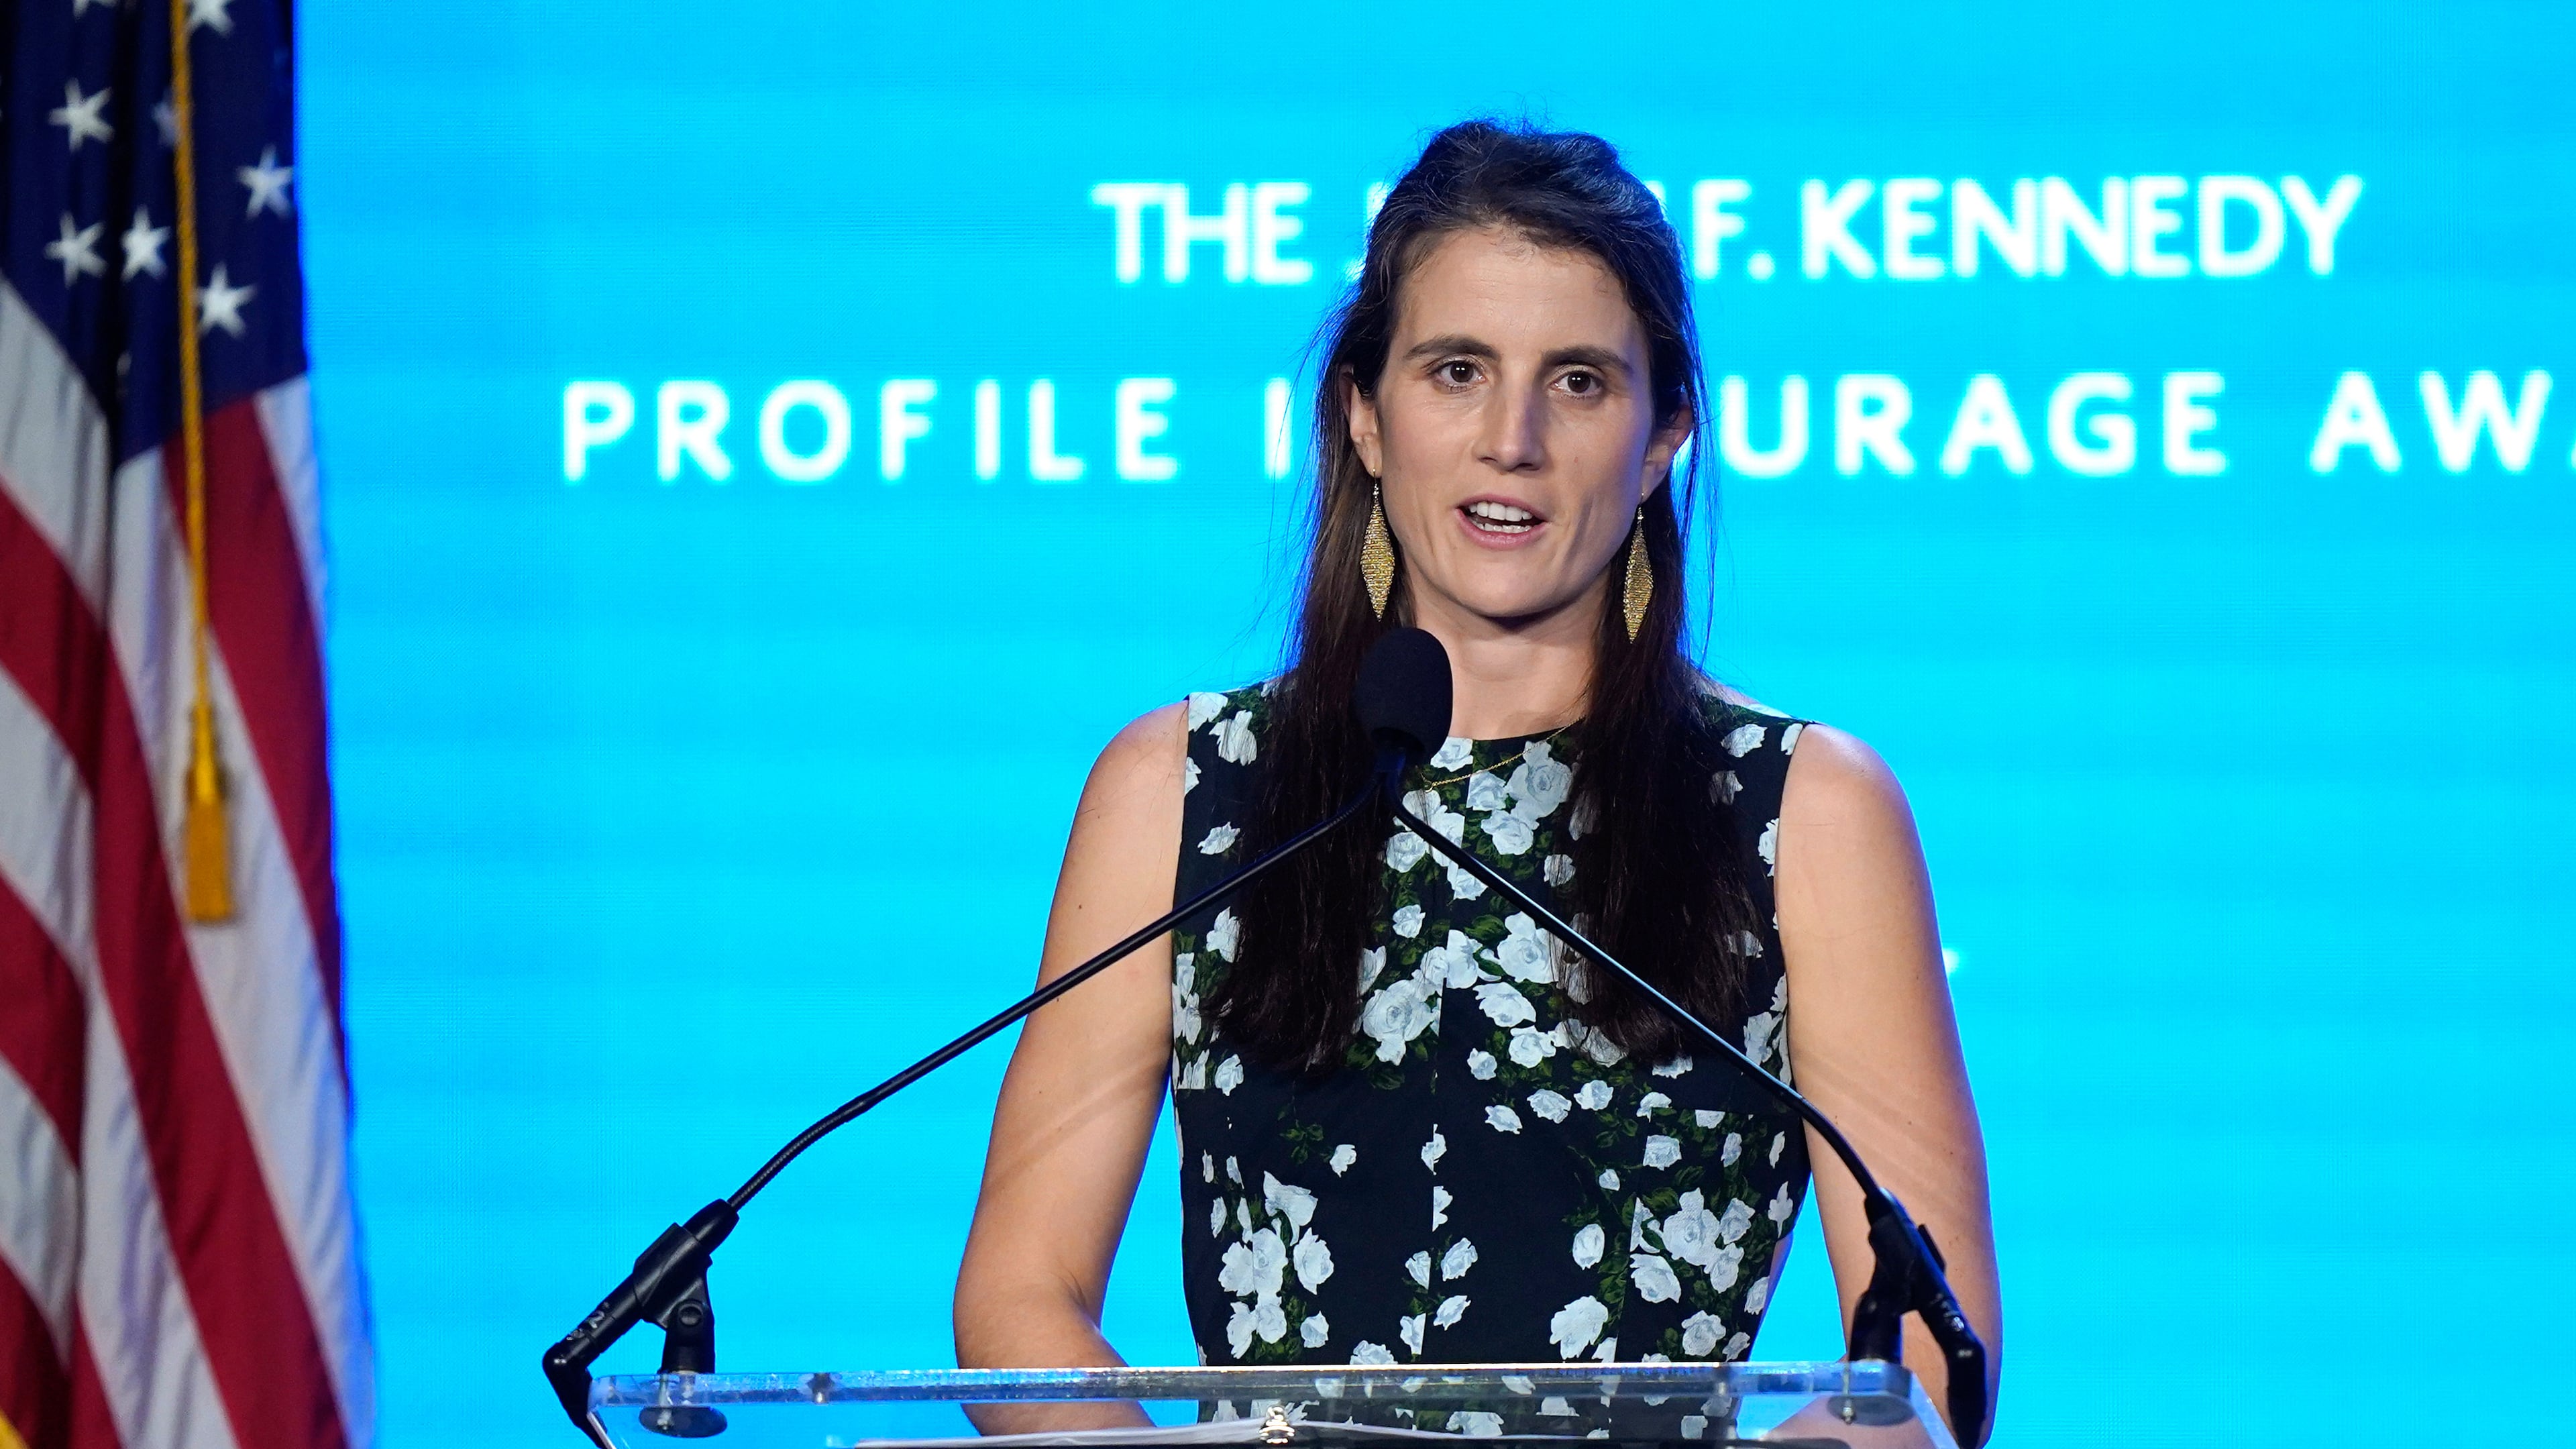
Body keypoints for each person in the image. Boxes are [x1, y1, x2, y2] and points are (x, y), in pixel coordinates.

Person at [953, 119, 2000, 1439]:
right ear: (1365, 415)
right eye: (1456, 370)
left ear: (1666, 433)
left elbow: (1923, 1347)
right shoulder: (1182, 788)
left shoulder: (1806, 810)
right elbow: (1020, 1295)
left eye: (1577, 382)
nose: (1512, 440)